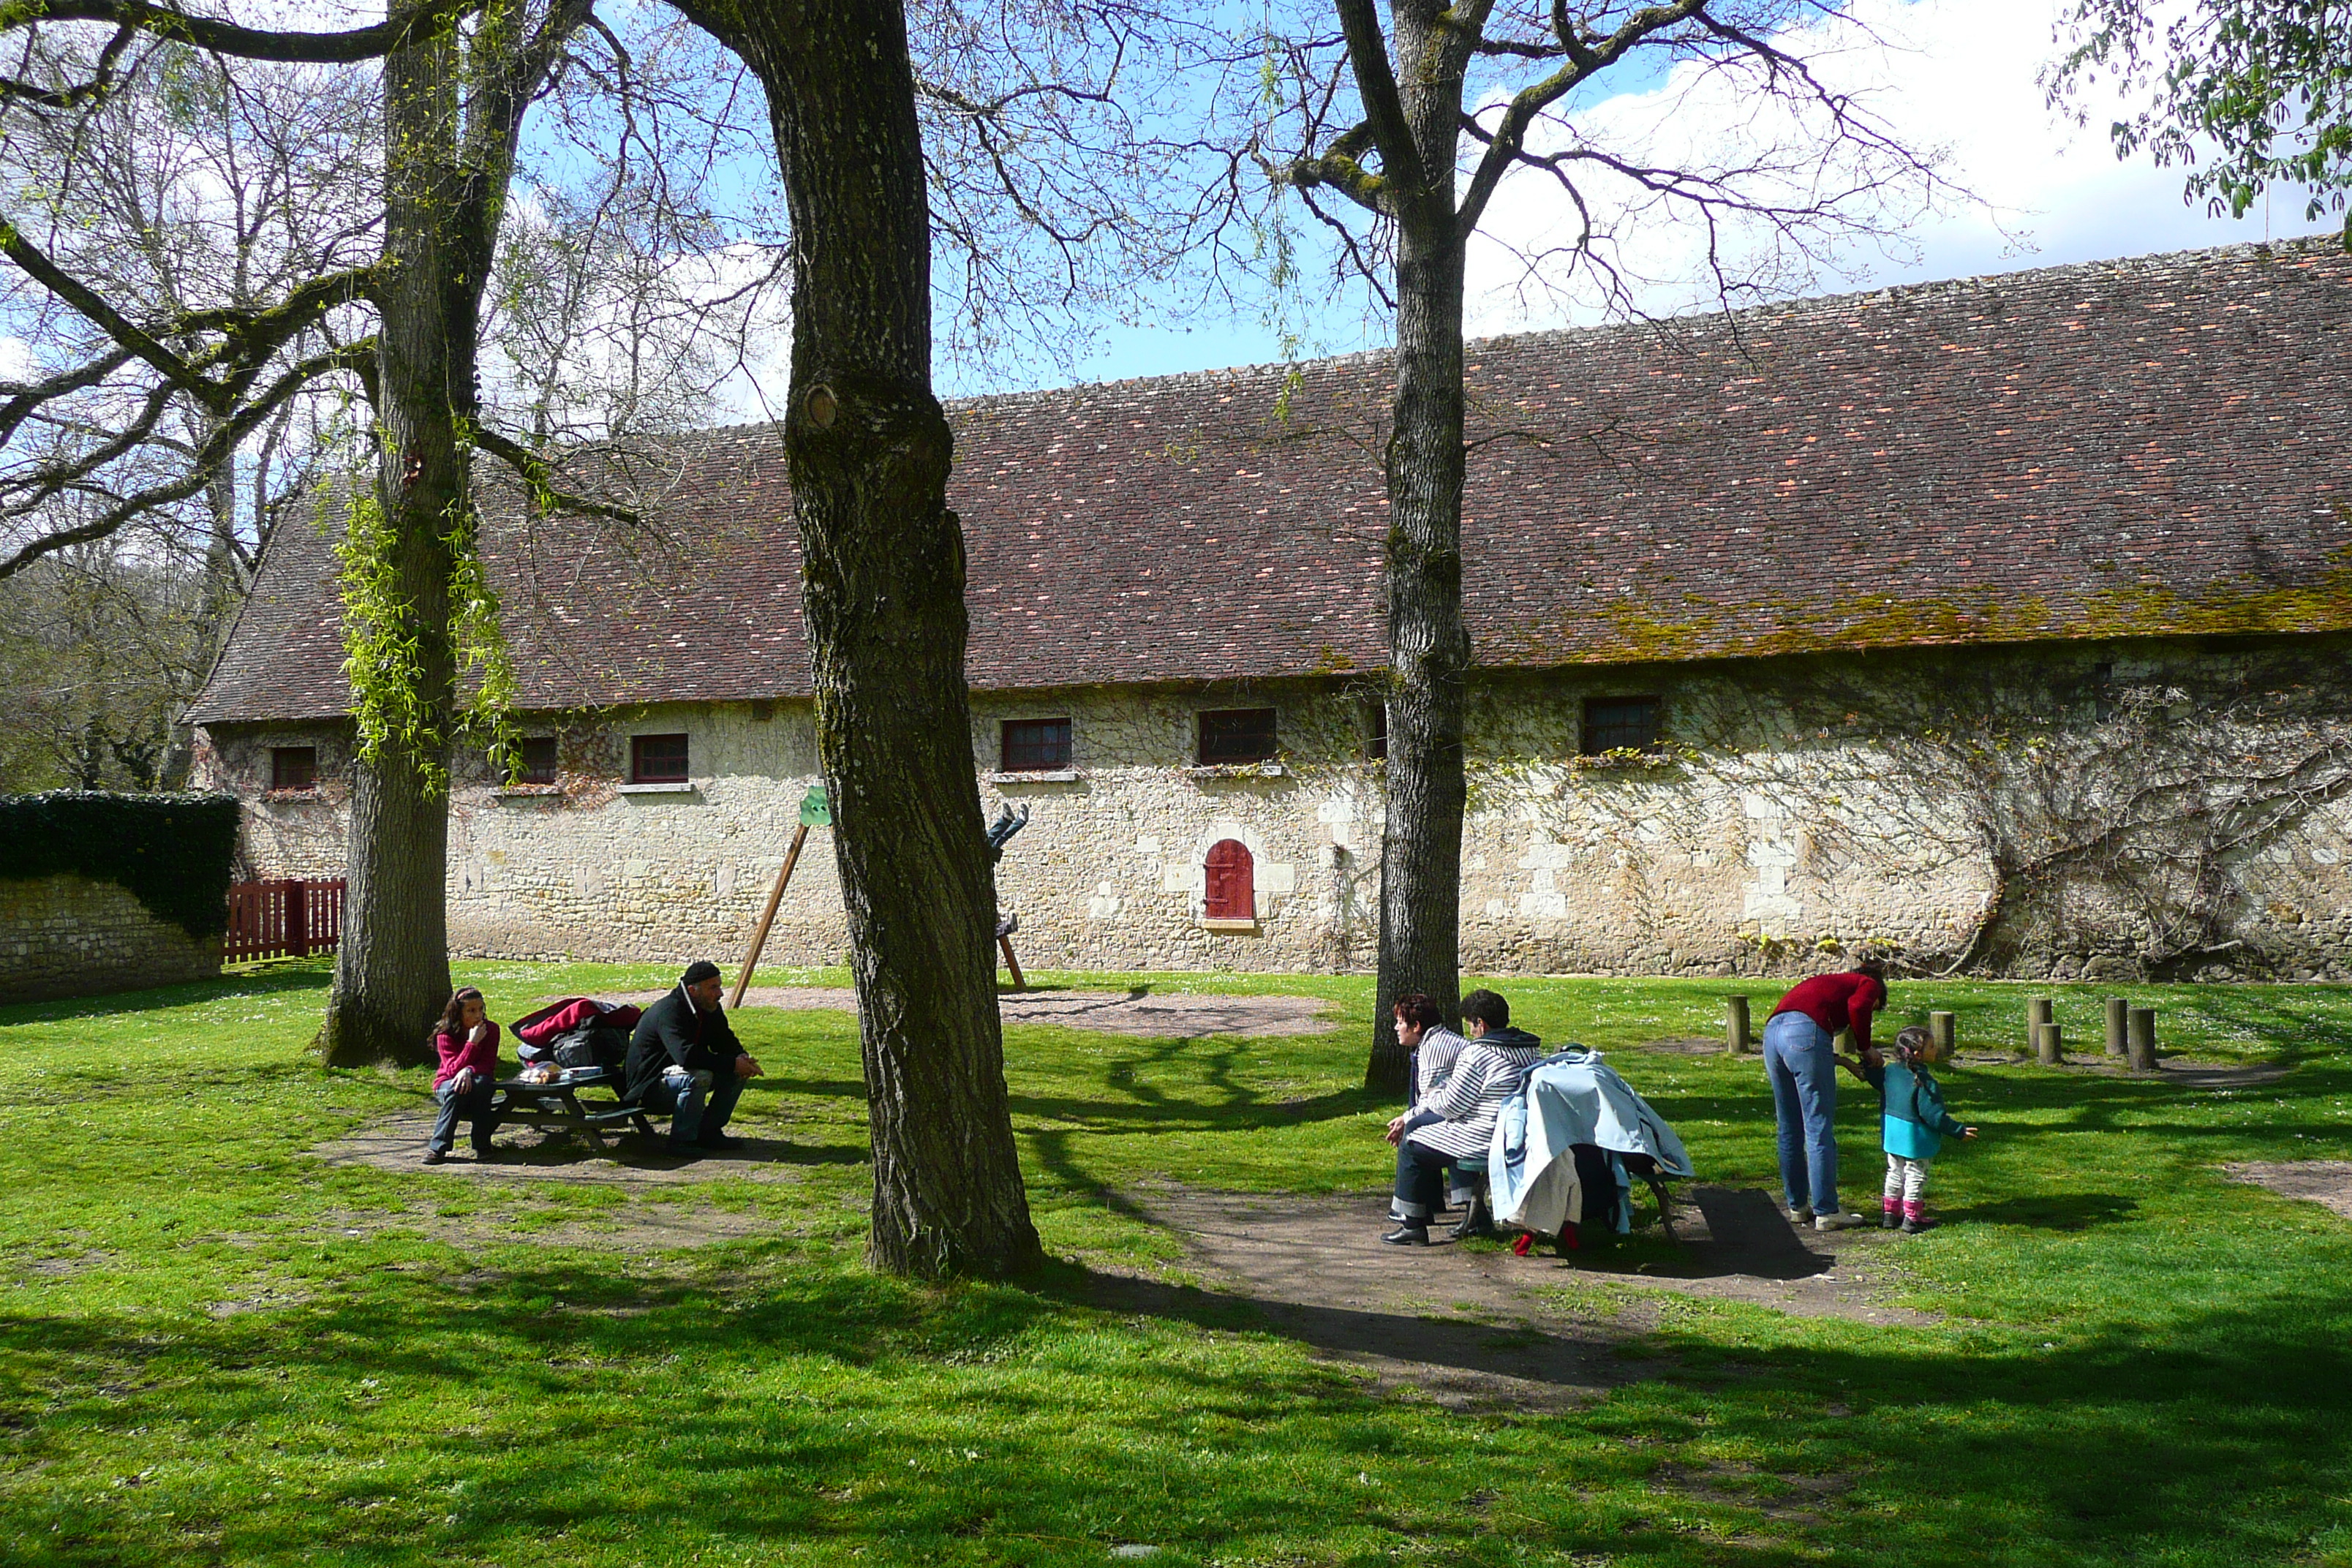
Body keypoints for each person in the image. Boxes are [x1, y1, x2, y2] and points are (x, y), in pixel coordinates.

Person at [1382, 990, 1544, 1245]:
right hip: (1516, 1133)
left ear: (1481, 1023)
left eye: (1470, 1024)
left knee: (1412, 1140)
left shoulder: (1480, 1053)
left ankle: (1412, 1224)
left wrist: (1435, 1091)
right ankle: (1476, 1218)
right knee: (1439, 1132)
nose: (1469, 1031)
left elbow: (1450, 1106)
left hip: (1484, 1137)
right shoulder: (1530, 1050)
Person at [1763, 957, 1888, 1231]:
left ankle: (1797, 1206)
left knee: (1789, 1127)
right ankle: (1827, 1211)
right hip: (1803, 1033)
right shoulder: (1868, 983)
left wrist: (1847, 1064)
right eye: (1877, 1006)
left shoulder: (1828, 986)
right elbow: (1858, 1006)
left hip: (1773, 1034)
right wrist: (1866, 1048)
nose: (1872, 1009)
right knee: (1818, 1126)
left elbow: (1809, 1048)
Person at [1847, 1024, 1978, 1233]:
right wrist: (1958, 1130)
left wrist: (1867, 1064)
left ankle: (1890, 1214)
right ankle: (1912, 1217)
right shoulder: (1924, 1082)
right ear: (1918, 1053)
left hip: (1892, 1133)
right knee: (1916, 1174)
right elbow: (1933, 1115)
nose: (1936, 1049)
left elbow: (1875, 1079)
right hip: (1915, 1137)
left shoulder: (1890, 1071)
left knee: (1895, 1172)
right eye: (1932, 1046)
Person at [625, 960, 764, 1155]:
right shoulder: (669, 1011)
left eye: (719, 986)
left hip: (676, 1077)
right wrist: (732, 1063)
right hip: (649, 1085)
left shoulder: (709, 1007)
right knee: (698, 1076)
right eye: (713, 987)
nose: (720, 993)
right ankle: (681, 1142)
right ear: (692, 990)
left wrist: (741, 1057)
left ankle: (709, 1133)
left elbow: (724, 1039)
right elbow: (686, 1056)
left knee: (736, 1073)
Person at [426, 987, 503, 1164]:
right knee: (456, 1089)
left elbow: (488, 1065)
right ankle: (438, 1149)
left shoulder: (491, 1030)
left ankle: (482, 1145)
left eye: (481, 1009)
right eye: (471, 1011)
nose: (478, 1015)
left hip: (477, 1079)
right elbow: (452, 1070)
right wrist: (472, 1043)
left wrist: (468, 1070)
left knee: (483, 1084)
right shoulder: (445, 1034)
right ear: (458, 1013)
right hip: (447, 1082)